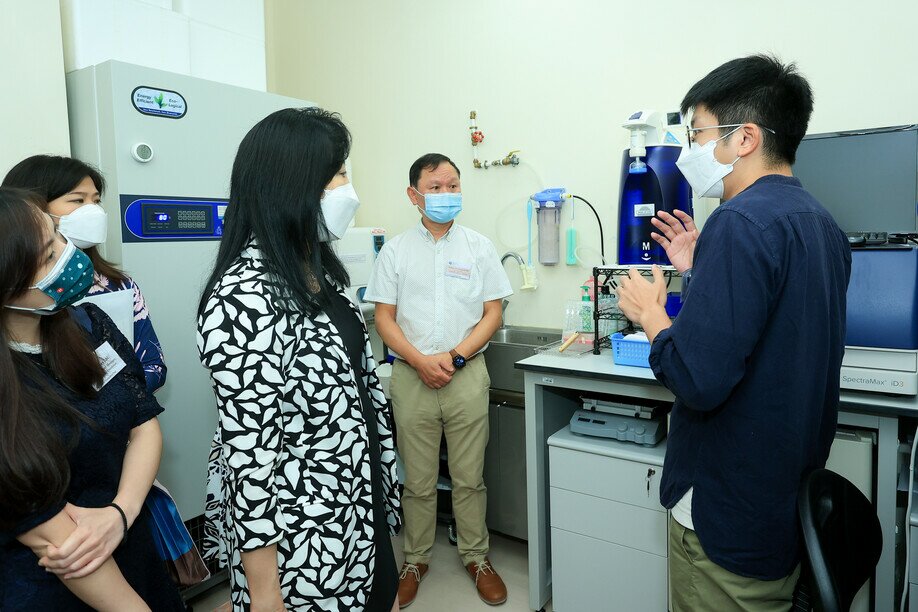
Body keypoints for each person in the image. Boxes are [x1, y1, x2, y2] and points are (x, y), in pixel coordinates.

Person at [615, 55, 851, 611]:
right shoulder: (823, 225)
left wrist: (650, 312)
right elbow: (774, 333)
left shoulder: (739, 222)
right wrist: (702, 269)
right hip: (779, 501)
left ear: (743, 138)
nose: (689, 151)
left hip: (726, 514)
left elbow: (698, 378)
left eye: (697, 134)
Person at [197, 107, 401, 612]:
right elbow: (249, 456)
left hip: (356, 511)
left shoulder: (318, 271)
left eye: (345, 172)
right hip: (302, 542)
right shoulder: (242, 295)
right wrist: (265, 593)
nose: (347, 189)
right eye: (336, 175)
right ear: (290, 186)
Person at [0, 187, 184, 611]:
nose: (67, 256)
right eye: (48, 258)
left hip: (128, 538)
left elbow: (142, 423)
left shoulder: (88, 323)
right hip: (60, 580)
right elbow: (57, 540)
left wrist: (121, 512)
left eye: (57, 237)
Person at [365, 153, 513, 608]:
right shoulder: (395, 252)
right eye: (436, 187)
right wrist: (420, 360)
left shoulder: (479, 247)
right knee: (418, 480)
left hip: (466, 375)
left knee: (470, 478)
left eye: (453, 186)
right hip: (411, 377)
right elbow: (384, 319)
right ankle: (415, 559)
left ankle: (476, 557)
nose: (447, 195)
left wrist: (453, 357)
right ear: (414, 195)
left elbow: (494, 312)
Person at [3, 155, 167, 393]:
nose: (92, 211)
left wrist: (116, 399)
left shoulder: (118, 284)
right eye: (78, 200)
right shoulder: (18, 296)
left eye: (96, 201)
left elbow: (154, 365)